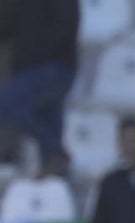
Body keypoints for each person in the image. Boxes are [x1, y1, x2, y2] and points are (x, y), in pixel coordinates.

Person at [0, 0, 78, 176]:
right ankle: (58, 176)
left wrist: (35, 55)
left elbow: (65, 28)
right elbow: (5, 24)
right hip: (32, 71)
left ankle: (56, 152)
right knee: (50, 127)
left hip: (54, 67)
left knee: (4, 104)